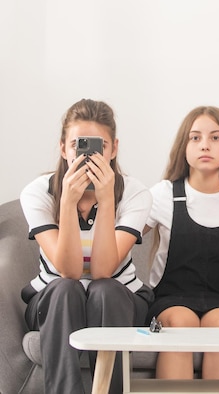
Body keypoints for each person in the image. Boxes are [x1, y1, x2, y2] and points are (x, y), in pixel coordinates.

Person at [19, 99, 153, 393]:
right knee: (67, 288)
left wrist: (106, 201)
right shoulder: (38, 192)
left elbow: (104, 270)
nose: (88, 156)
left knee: (103, 289)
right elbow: (68, 270)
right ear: (64, 148)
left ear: (113, 149)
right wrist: (67, 201)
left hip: (120, 297)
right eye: (78, 145)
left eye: (99, 146)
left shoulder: (134, 192)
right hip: (54, 297)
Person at [144, 106, 219, 380]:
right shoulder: (164, 194)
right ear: (184, 146)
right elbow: (120, 239)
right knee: (182, 323)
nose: (205, 145)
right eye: (195, 138)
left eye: (215, 138)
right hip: (171, 299)